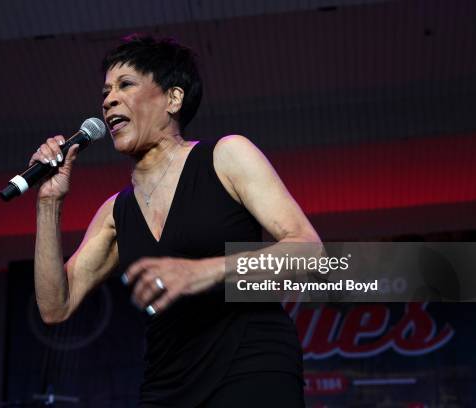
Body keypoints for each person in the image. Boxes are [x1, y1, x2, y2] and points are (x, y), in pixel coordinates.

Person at [31, 34, 320, 407]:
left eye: (126, 84)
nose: (108, 100)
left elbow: (309, 251)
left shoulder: (227, 156)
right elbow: (56, 307)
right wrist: (49, 203)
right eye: (105, 91)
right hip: (168, 382)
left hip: (250, 363)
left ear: (173, 98)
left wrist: (204, 272)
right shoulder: (116, 212)